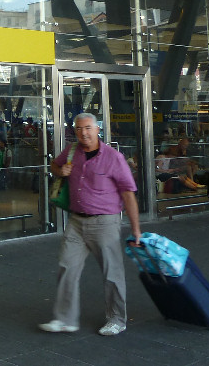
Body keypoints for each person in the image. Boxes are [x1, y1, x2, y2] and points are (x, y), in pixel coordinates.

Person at [40, 112, 141, 337]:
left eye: (87, 128)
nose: (83, 133)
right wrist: (59, 170)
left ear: (97, 130)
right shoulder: (72, 151)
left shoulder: (113, 157)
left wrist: (136, 229)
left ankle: (116, 319)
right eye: (78, 128)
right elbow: (54, 166)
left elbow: (128, 194)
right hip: (76, 221)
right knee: (67, 267)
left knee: (111, 272)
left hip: (105, 222)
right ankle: (65, 319)